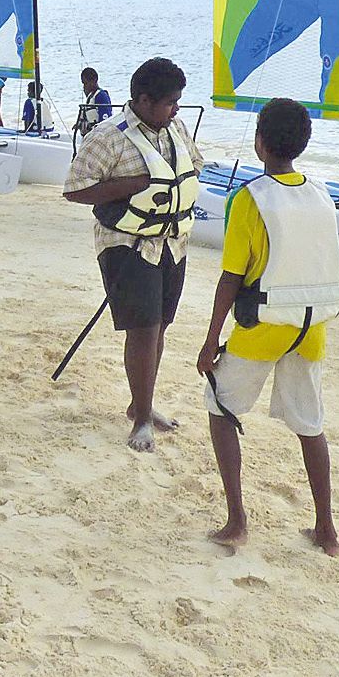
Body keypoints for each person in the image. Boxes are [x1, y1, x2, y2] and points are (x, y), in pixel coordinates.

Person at [195, 98, 339, 556]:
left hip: (262, 325)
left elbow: (230, 278)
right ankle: (326, 530)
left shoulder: (249, 198)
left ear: (259, 142)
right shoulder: (320, 193)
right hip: (310, 327)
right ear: (304, 143)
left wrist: (210, 341)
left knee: (220, 408)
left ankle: (237, 521)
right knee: (310, 427)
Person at [62, 56, 206, 453]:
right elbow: (75, 189)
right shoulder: (108, 136)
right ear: (143, 100)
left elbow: (193, 166)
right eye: (170, 101)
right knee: (142, 329)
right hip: (126, 246)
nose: (176, 108)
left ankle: (139, 403)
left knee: (159, 327)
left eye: (178, 100)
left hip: (172, 242)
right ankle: (141, 419)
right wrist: (133, 185)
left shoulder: (174, 128)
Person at [71, 67, 113, 151]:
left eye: (86, 83)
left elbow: (105, 119)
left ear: (95, 80)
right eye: (83, 84)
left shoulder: (101, 96)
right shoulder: (90, 97)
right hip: (88, 138)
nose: (84, 86)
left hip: (97, 140)